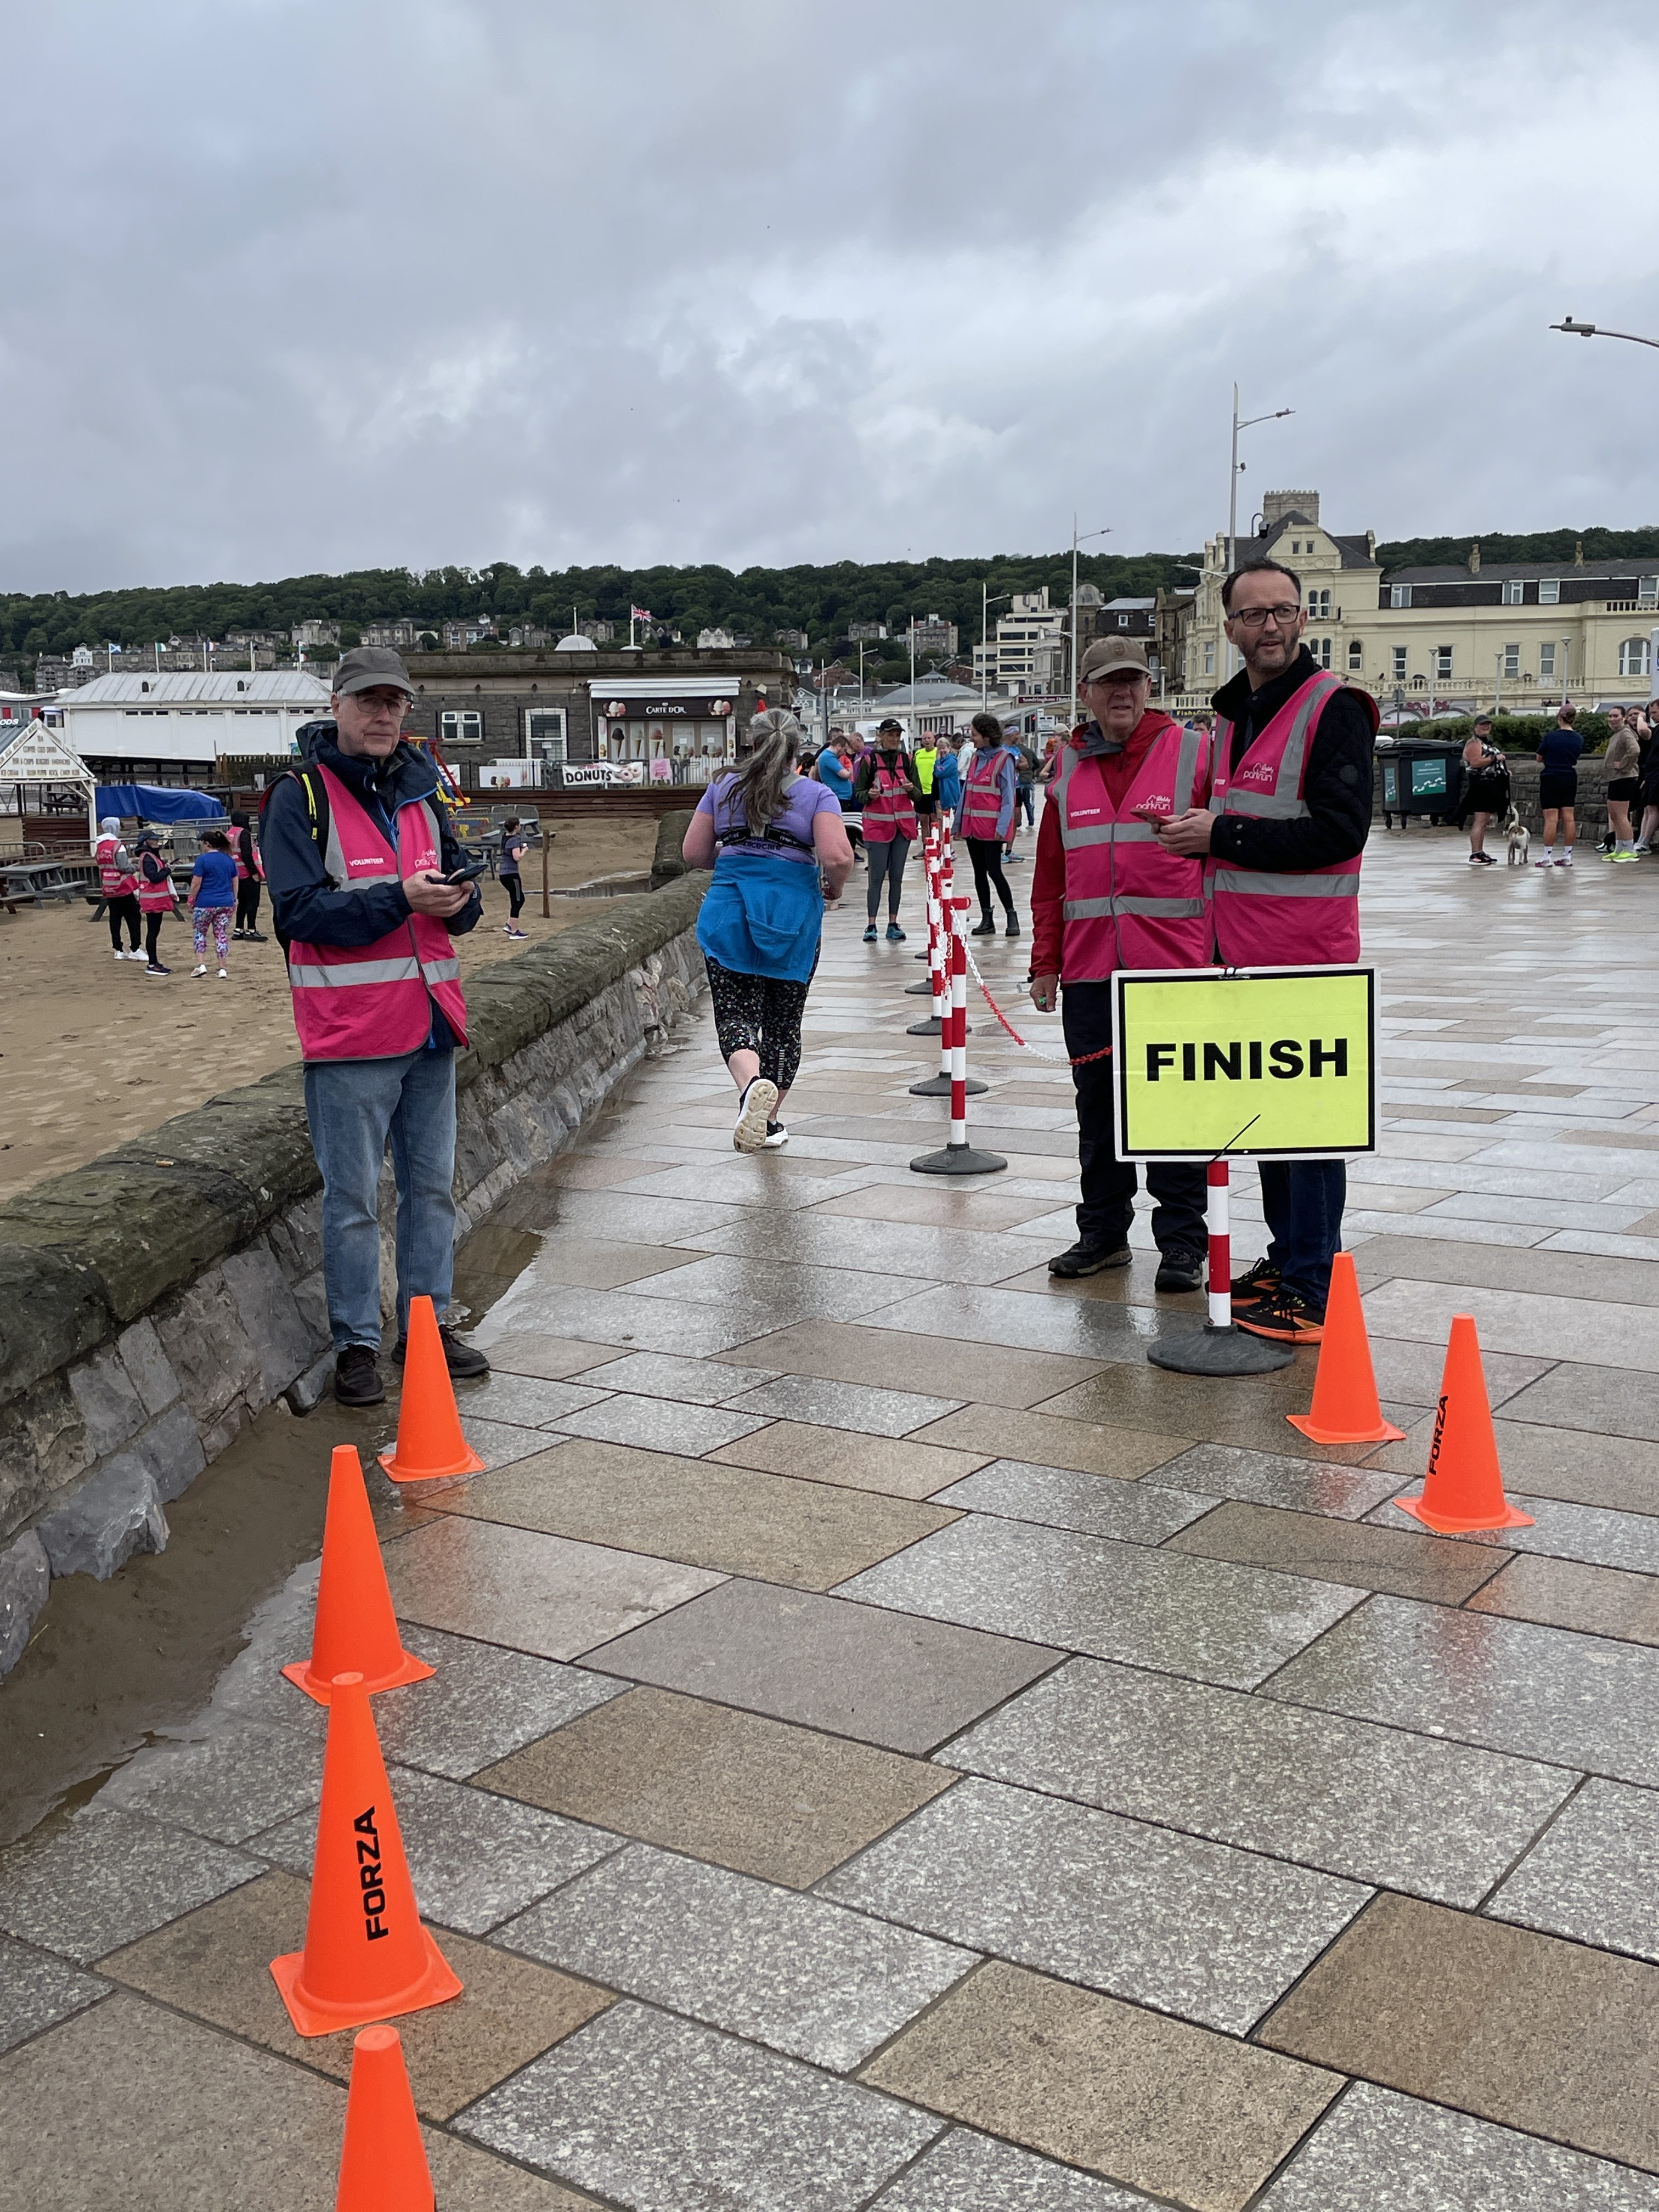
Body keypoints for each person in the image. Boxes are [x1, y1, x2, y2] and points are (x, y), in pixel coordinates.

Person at [1154, 557, 1378, 1344]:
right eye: (1254, 615)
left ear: (1303, 619)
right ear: (1231, 628)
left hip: (1307, 954)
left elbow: (1341, 831)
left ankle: (1312, 1288)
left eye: (1284, 610)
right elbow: (1244, 818)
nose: (1272, 626)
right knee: (1270, 1123)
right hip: (1241, 952)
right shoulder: (1235, 715)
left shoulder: (1332, 706)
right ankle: (1289, 1263)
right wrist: (1196, 834)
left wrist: (1222, 833)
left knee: (1309, 1128)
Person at [263, 645, 488, 1408]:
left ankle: (427, 1327)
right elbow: (295, 916)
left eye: (394, 702)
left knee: (431, 1190)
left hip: (430, 1025)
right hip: (352, 1033)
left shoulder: (423, 791)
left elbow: (456, 892)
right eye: (368, 701)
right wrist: (402, 899)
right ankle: (356, 1344)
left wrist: (462, 901)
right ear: (337, 705)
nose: (383, 714)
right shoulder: (300, 796)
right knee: (353, 1200)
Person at [1029, 638, 1210, 1290]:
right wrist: (1044, 961)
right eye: (1108, 684)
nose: (1122, 693)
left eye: (1133, 680)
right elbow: (1050, 876)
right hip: (1088, 973)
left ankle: (1185, 1244)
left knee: (1175, 1108)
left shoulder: (1193, 752)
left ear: (1150, 685)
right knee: (1098, 1110)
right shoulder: (1067, 768)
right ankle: (1103, 1234)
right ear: (1085, 693)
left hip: (1174, 967)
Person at [681, 709, 853, 1150]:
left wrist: (740, 854)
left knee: (735, 1014)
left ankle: (749, 1086)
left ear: (750, 744)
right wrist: (831, 887)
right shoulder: (816, 794)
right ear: (798, 750)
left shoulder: (722, 786)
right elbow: (838, 858)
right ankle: (769, 1119)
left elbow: (694, 852)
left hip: (729, 911)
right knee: (783, 1023)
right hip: (792, 914)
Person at [855, 719, 921, 942]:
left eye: (897, 735)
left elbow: (919, 795)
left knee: (897, 878)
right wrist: (869, 796)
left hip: (902, 828)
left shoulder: (907, 759)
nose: (895, 739)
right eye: (890, 735)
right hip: (877, 828)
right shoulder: (868, 761)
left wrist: (912, 790)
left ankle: (893, 923)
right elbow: (859, 793)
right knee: (876, 878)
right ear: (881, 736)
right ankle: (871, 925)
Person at [960, 711, 1020, 938]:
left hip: (992, 829)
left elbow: (1008, 797)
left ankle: (1011, 915)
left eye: (974, 734)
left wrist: (1003, 828)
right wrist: (960, 823)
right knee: (979, 873)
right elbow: (968, 791)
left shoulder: (1005, 759)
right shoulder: (976, 757)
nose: (972, 738)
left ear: (986, 735)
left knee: (995, 871)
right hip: (973, 828)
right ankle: (987, 918)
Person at [1535, 702, 1583, 867]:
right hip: (1570, 776)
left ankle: (1547, 856)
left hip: (1551, 776)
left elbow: (1539, 757)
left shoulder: (1551, 737)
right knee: (1569, 818)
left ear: (1559, 718)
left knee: (1551, 819)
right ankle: (1567, 855)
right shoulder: (1578, 739)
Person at [188, 829, 239, 978]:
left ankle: (201, 965)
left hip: (205, 902)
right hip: (225, 902)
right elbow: (235, 881)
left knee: (200, 933)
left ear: (207, 844)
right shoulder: (229, 860)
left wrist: (192, 899)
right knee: (221, 934)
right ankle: (222, 968)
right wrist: (234, 898)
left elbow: (196, 882)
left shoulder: (202, 860)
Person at [1459, 715, 1509, 865]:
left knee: (1485, 820)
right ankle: (1475, 854)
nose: (1486, 727)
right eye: (1482, 725)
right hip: (1480, 785)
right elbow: (1475, 763)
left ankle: (1480, 852)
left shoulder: (1485, 743)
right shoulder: (1474, 743)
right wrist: (1495, 759)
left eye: (1488, 724)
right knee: (1480, 820)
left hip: (1489, 785)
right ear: (1475, 727)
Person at [95, 815, 143, 961]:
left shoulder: (101, 846)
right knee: (134, 917)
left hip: (108, 886)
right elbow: (123, 866)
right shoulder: (118, 846)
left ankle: (118, 949)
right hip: (123, 886)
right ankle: (135, 948)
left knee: (115, 919)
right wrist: (135, 867)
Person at [1600, 708, 1641, 862]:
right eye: (1610, 716)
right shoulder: (1617, 735)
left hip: (1624, 779)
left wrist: (1623, 765)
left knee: (1622, 816)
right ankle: (1619, 848)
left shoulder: (1626, 733)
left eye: (1616, 716)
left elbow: (1635, 750)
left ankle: (1629, 850)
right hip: (1615, 779)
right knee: (1615, 816)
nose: (1612, 719)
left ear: (1623, 718)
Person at [134, 833, 178, 975]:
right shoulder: (148, 857)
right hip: (153, 900)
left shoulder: (149, 856)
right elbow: (154, 878)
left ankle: (154, 962)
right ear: (146, 842)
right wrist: (167, 870)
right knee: (153, 932)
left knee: (154, 931)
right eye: (154, 839)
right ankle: (152, 964)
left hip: (154, 899)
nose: (158, 841)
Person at [229, 810, 266, 941]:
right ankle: (251, 929)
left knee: (243, 902)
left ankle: (239, 929)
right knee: (253, 902)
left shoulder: (230, 834)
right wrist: (254, 873)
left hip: (236, 874)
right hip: (247, 873)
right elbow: (247, 855)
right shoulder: (243, 834)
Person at [499, 815, 529, 935]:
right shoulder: (515, 840)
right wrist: (525, 850)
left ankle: (509, 924)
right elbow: (516, 857)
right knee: (518, 900)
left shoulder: (505, 837)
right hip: (511, 874)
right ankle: (514, 931)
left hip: (503, 873)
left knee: (517, 899)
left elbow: (509, 850)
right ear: (517, 827)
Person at [934, 730, 962, 829]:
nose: (942, 751)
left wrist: (937, 762)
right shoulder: (941, 761)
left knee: (950, 817)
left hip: (950, 792)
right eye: (939, 749)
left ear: (949, 748)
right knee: (943, 818)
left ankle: (954, 834)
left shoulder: (951, 761)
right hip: (942, 792)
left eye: (944, 748)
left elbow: (939, 773)